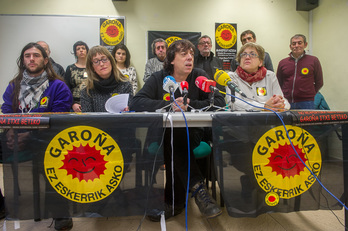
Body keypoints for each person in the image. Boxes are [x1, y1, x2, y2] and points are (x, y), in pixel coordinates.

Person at [130, 39, 224, 221]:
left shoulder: (199, 76)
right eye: (183, 54)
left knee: (178, 136)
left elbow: (220, 102)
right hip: (161, 135)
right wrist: (169, 105)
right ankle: (196, 189)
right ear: (172, 59)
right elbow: (136, 102)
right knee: (174, 135)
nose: (190, 57)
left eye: (191, 54)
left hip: (194, 133)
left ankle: (174, 203)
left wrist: (190, 105)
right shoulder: (159, 77)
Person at [1, 42, 73, 230]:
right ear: (22, 60)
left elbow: (59, 118)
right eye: (27, 55)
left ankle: (60, 212)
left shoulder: (58, 86)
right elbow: (7, 111)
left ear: (46, 60)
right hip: (15, 135)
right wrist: (10, 131)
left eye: (36, 55)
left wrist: (28, 135)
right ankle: (2, 205)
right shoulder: (13, 86)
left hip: (46, 138)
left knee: (52, 160)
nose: (31, 59)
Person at [226, 42, 290, 111]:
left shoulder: (270, 76)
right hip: (242, 120)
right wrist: (264, 106)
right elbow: (234, 104)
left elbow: (282, 100)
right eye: (244, 54)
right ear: (239, 60)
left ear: (260, 62)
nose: (247, 57)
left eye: (252, 54)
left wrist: (280, 105)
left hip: (267, 120)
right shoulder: (231, 77)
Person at [80, 45, 133, 113]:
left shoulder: (125, 84)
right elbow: (87, 118)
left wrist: (128, 110)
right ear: (92, 67)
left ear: (111, 61)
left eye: (104, 59)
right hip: (95, 123)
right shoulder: (86, 90)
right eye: (96, 61)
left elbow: (131, 112)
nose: (101, 64)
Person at [277, 34, 323, 109]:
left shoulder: (313, 61)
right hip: (286, 101)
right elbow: (278, 82)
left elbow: (319, 82)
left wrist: (309, 93)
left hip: (307, 102)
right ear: (290, 46)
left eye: (299, 43)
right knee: (286, 121)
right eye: (294, 43)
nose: (296, 45)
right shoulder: (283, 63)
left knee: (306, 121)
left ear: (305, 45)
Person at [64, 41, 89, 112]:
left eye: (83, 48)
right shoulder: (70, 68)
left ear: (87, 51)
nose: (81, 50)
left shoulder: (93, 67)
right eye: (78, 49)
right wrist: (73, 104)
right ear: (75, 53)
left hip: (91, 102)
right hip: (75, 105)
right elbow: (66, 88)